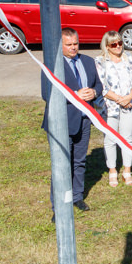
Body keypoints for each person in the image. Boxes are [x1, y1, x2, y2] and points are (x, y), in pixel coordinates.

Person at [42, 27, 102, 216]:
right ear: (61, 45)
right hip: (62, 122)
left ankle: (76, 196)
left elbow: (98, 85)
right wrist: (75, 95)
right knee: (61, 165)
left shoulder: (88, 62)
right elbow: (47, 94)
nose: (73, 48)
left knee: (79, 161)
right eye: (69, 45)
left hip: (84, 120)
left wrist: (94, 92)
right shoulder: (52, 65)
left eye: (76, 43)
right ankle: (58, 207)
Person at [95, 31, 132, 187]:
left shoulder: (129, 58)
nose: (118, 46)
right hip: (110, 106)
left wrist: (129, 97)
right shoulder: (100, 61)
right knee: (110, 139)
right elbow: (101, 86)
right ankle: (112, 170)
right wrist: (120, 99)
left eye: (120, 43)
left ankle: (127, 170)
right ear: (107, 46)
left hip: (129, 103)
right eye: (114, 44)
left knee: (128, 137)